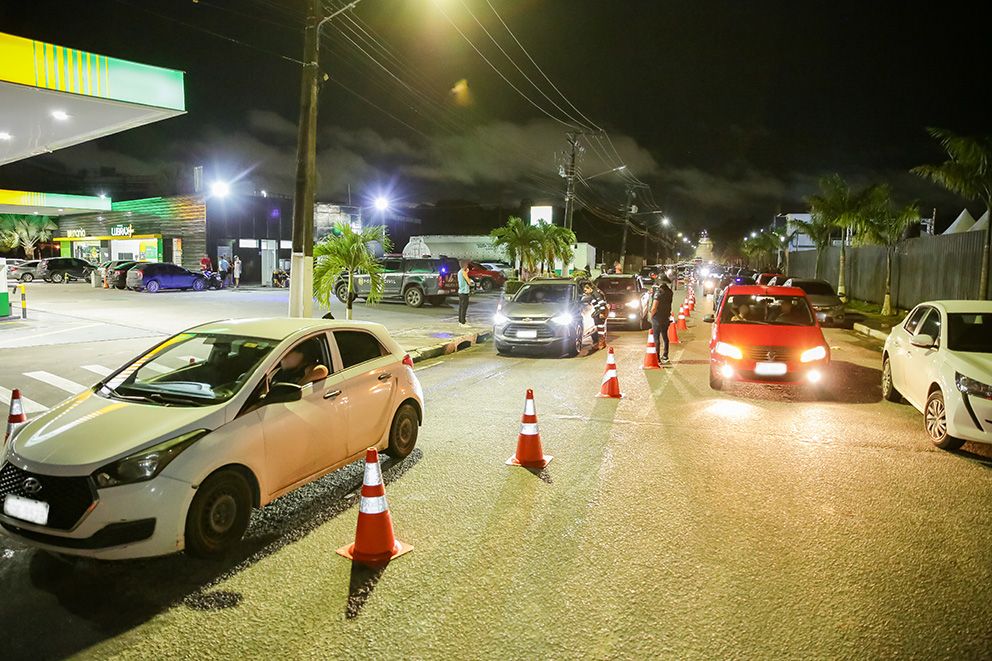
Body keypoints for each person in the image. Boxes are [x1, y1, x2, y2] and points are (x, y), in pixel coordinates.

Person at [650, 279, 673, 363]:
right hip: (666, 316)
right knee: (665, 336)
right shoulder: (670, 292)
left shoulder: (658, 293)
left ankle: (657, 357)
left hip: (657, 318)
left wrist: (651, 315)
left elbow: (654, 307)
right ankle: (665, 355)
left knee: (656, 338)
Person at [457, 259, 472, 326]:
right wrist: (470, 282)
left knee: (461, 307)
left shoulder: (459, 272)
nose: (467, 266)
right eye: (467, 264)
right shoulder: (463, 272)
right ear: (464, 265)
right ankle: (463, 322)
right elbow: (469, 282)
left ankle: (460, 321)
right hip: (464, 292)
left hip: (460, 291)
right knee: (464, 308)